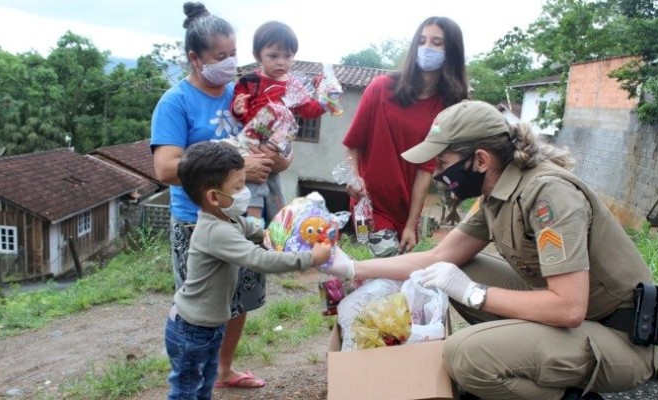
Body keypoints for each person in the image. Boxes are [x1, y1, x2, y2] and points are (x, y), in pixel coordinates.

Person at [327, 101, 658, 399]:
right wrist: (354, 268)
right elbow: (436, 258)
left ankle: (564, 397)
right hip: (577, 319)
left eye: (443, 162)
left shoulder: (549, 196)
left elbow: (569, 307)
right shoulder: (497, 194)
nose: (438, 175)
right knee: (452, 270)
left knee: (464, 355)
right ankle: (511, 371)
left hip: (619, 339)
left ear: (481, 160)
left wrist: (473, 293)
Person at [151, 2, 290, 389]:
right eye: (220, 56)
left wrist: (275, 159)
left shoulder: (243, 94)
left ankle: (223, 370)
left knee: (240, 299)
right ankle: (191, 378)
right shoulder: (175, 102)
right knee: (202, 309)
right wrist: (239, 168)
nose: (230, 63)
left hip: (244, 219)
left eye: (233, 54)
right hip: (199, 223)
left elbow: (277, 155)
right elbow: (164, 168)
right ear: (195, 59)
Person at [165, 141, 331, 400]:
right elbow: (259, 260)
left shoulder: (224, 217)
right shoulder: (216, 231)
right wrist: (309, 258)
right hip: (192, 331)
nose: (245, 192)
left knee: (204, 381)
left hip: (207, 326)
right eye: (238, 187)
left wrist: (273, 233)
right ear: (213, 196)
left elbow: (251, 229)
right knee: (186, 391)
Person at [342, 16, 468, 258]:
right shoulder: (380, 88)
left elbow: (425, 170)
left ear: (451, 51)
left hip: (405, 208)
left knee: (390, 280)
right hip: (369, 204)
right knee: (385, 263)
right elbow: (353, 143)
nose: (427, 47)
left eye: (436, 42)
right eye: (421, 40)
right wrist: (354, 178)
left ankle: (343, 292)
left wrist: (411, 224)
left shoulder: (446, 108)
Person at [230, 20, 329, 229]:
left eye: (287, 56)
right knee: (255, 185)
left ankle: (278, 226)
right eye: (273, 56)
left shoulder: (294, 85)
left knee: (273, 184)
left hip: (277, 142)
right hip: (252, 139)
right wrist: (238, 109)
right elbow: (241, 113)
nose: (281, 62)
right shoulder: (249, 81)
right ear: (258, 55)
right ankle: (254, 224)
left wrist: (325, 102)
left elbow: (308, 110)